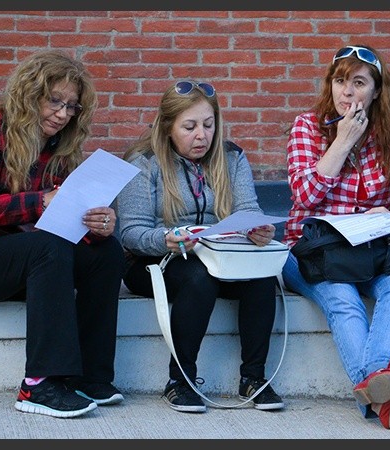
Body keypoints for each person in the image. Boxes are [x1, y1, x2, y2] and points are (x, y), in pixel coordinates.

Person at [0, 50, 126, 419]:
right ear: (29, 93)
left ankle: (88, 376)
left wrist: (96, 227)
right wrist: (39, 202)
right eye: (54, 101)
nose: (62, 114)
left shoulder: (60, 147)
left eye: (71, 107)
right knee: (46, 248)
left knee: (107, 253)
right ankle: (38, 385)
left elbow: (62, 220)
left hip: (26, 257)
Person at [116, 80, 284, 414]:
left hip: (219, 256)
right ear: (167, 127)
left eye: (208, 125)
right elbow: (131, 234)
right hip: (154, 261)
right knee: (198, 277)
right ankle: (180, 381)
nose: (201, 136)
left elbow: (247, 211)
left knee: (262, 277)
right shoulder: (143, 162)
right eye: (189, 127)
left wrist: (256, 230)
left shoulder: (232, 157)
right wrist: (166, 239)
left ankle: (254, 379)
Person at [280, 45, 390, 430]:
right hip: (311, 253)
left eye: (358, 82)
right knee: (343, 298)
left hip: (373, 250)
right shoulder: (308, 127)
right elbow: (304, 197)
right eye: (340, 80)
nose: (346, 91)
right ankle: (382, 388)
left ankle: (375, 391)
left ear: (377, 90)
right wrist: (342, 141)